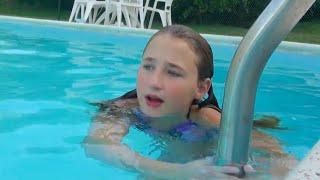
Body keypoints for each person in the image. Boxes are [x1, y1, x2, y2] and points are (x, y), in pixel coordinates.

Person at [83, 25, 287, 179]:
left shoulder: (207, 119)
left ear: (201, 88)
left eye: (173, 72)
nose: (154, 82)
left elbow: (276, 155)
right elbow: (98, 146)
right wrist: (180, 172)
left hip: (201, 147)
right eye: (148, 66)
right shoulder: (123, 110)